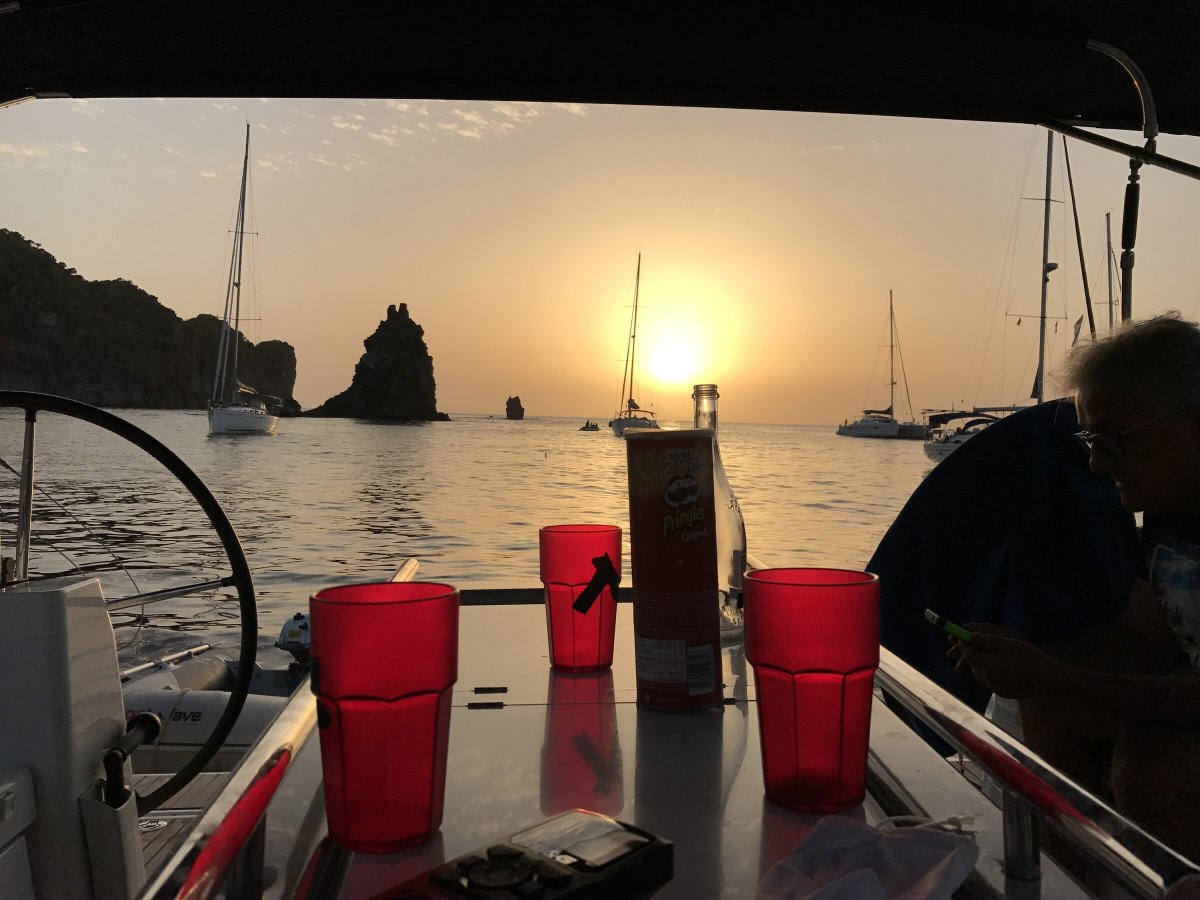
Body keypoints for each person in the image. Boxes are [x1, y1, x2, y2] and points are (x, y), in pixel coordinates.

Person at [951, 312, 1200, 861]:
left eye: (1114, 440)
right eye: (1090, 439)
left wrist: (1058, 675)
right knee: (1045, 701)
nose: (1094, 463)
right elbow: (1164, 638)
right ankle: (1074, 872)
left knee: (1153, 764)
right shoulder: (1170, 507)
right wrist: (1032, 659)